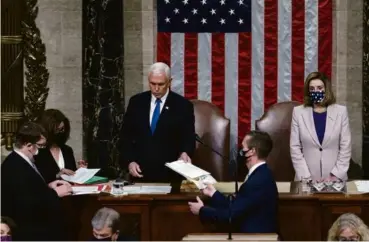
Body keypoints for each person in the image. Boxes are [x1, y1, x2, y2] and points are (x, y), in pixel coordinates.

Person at [188, 131, 278, 233]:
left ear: (251, 151)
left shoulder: (256, 181)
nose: (240, 151)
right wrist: (213, 193)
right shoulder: (262, 173)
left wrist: (202, 211)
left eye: (243, 147)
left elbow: (231, 215)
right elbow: (237, 206)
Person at [120, 62, 196, 182]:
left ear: (169, 82)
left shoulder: (183, 105)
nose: (156, 88)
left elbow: (188, 137)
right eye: (152, 83)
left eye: (161, 84)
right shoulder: (136, 102)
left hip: (170, 175)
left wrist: (185, 153)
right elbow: (126, 136)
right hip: (140, 174)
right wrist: (130, 161)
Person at [1, 122, 73, 240]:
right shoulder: (15, 166)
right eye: (40, 146)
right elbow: (26, 204)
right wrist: (55, 193)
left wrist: (48, 186)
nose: (42, 150)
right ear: (29, 145)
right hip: (31, 232)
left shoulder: (22, 161)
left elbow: (30, 189)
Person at [290, 72, 351, 181]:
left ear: (326, 89)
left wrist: (335, 175)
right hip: (306, 179)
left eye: (319, 88)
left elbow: (345, 147)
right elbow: (295, 148)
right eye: (312, 88)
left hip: (335, 179)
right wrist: (306, 177)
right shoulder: (298, 112)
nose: (315, 91)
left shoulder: (341, 112)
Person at [35, 109, 87, 183]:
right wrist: (57, 176)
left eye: (62, 129)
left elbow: (72, 175)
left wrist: (80, 171)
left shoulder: (67, 150)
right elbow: (34, 180)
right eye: (57, 130)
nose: (61, 133)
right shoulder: (37, 151)